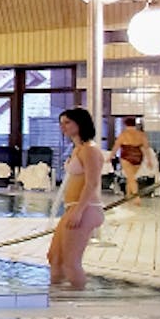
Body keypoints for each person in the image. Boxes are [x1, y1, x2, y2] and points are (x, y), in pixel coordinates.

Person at [48, 107, 105, 289]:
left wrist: (79, 210)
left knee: (70, 262)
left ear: (80, 124)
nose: (62, 127)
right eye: (61, 123)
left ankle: (78, 300)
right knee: (55, 258)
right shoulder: (77, 149)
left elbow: (92, 183)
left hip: (86, 208)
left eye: (67, 122)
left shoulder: (90, 150)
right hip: (74, 207)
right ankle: (56, 298)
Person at [110, 117, 150, 204]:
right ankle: (128, 195)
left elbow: (116, 146)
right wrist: (149, 160)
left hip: (126, 156)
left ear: (125, 124)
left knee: (131, 178)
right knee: (130, 177)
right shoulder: (141, 134)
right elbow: (146, 147)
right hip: (138, 156)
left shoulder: (123, 134)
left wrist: (110, 156)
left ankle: (136, 196)